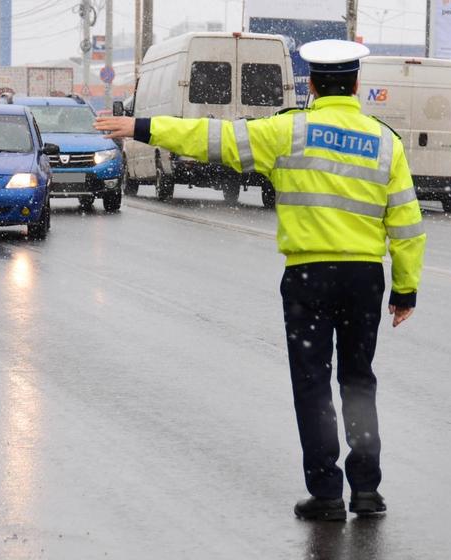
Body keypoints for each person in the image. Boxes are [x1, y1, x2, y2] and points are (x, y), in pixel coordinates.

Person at [95, 39, 426, 521]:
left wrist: (141, 127)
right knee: (358, 381)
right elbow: (407, 225)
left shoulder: (288, 131)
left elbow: (213, 138)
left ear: (312, 84)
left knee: (312, 384)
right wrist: (405, 289)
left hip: (308, 277)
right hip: (363, 279)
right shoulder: (384, 141)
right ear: (357, 85)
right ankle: (368, 491)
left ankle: (328, 494)